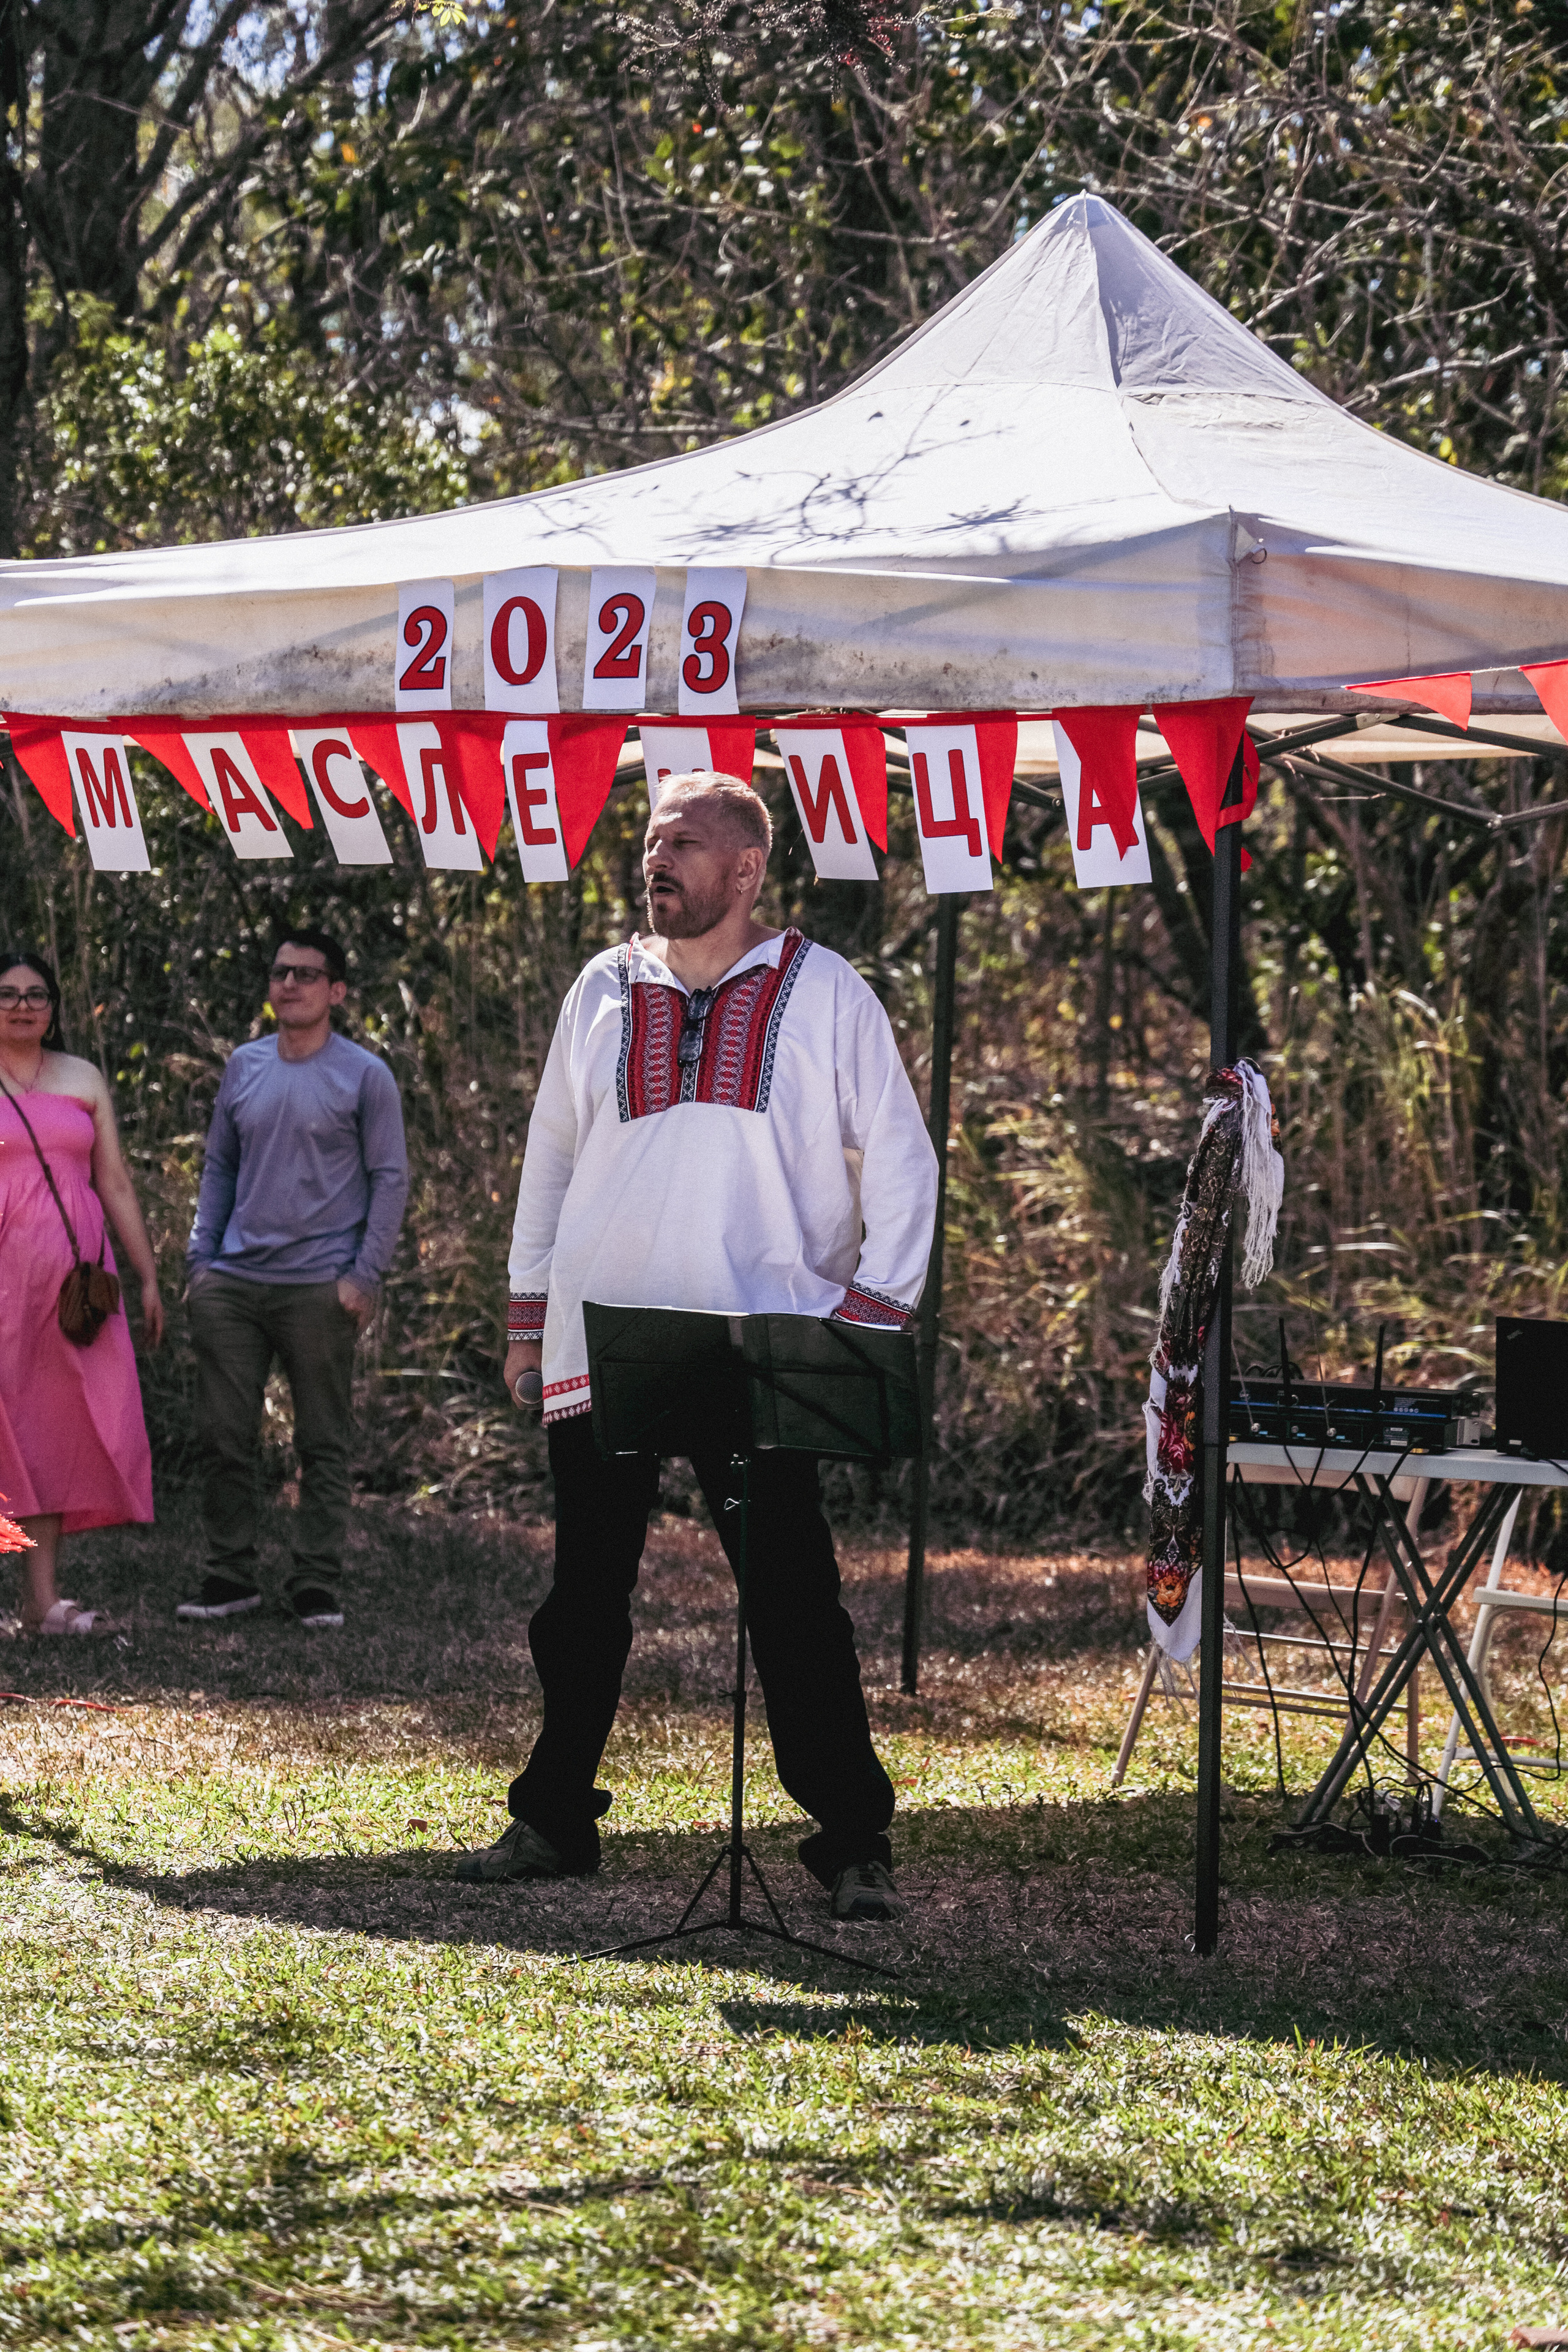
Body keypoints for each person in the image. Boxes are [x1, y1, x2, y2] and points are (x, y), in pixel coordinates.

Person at [456, 773, 938, 1922]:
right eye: (650, 842)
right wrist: (530, 1321)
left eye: (683, 844)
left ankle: (853, 1838)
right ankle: (554, 1816)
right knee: (583, 1598)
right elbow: (552, 1157)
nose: (656, 861)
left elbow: (903, 1163)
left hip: (756, 1341)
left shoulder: (824, 993)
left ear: (746, 870)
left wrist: (868, 1318)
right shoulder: (603, 987)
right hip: (605, 1334)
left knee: (793, 1601)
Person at [179, 929, 408, 1630]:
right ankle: (229, 1577)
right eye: (281, 973)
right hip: (234, 1284)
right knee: (225, 1438)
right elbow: (219, 1167)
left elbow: (390, 1178)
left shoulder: (365, 1075)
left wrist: (362, 1275)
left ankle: (315, 1583)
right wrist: (201, 1262)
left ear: (336, 992)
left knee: (322, 1442)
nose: (290, 985)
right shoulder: (244, 1066)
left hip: (320, 1287)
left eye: (307, 975)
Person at [0, 949, 164, 1634]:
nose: (23, 1006)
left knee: (51, 1430)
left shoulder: (83, 1077)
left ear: (55, 1007)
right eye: (7, 994)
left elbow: (115, 1180)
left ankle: (42, 1604)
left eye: (38, 994)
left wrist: (148, 1275)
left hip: (70, 1288)